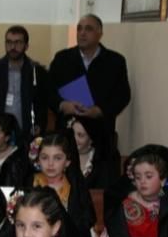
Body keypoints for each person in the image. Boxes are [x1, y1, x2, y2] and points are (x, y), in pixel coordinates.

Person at [48, 14, 130, 148]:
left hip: (100, 132)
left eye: (88, 29)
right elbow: (48, 90)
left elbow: (123, 95)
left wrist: (99, 110)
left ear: (100, 33)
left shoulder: (115, 61)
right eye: (79, 29)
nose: (82, 33)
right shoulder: (62, 59)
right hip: (68, 131)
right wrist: (62, 105)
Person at [26, 131, 96, 237]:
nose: (50, 164)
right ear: (38, 160)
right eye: (44, 157)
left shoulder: (74, 189)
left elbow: (81, 226)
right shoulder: (29, 184)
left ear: (67, 162)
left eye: (57, 158)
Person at [104, 144, 168, 237]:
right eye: (138, 177)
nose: (143, 181)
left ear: (163, 180)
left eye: (148, 176)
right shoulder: (124, 204)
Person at [71, 116, 119, 190]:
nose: (74, 138)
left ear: (91, 139)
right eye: (72, 133)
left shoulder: (103, 162)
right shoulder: (62, 155)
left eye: (80, 135)